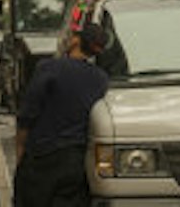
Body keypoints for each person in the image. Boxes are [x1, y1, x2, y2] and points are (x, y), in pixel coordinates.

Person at [13, 23, 110, 207]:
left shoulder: (49, 69)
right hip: (76, 161)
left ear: (75, 41)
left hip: (42, 159)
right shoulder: (101, 79)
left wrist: (20, 152)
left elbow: (27, 115)